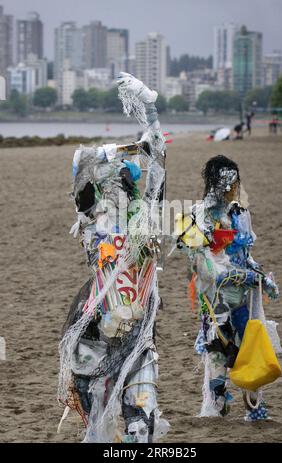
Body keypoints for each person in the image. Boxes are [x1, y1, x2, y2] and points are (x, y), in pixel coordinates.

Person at [57, 73, 169, 443]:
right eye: (111, 181)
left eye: (125, 181)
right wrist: (119, 153)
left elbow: (160, 154)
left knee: (142, 426)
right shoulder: (93, 221)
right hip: (95, 336)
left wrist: (149, 106)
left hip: (137, 338)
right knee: (96, 428)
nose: (118, 184)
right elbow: (79, 165)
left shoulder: (148, 218)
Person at [175, 155, 279, 421]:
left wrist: (261, 278)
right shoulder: (198, 216)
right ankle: (216, 406)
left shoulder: (241, 215)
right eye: (228, 180)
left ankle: (255, 408)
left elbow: (246, 254)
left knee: (250, 346)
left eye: (235, 179)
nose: (233, 185)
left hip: (243, 298)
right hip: (215, 300)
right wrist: (237, 275)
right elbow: (201, 265)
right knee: (217, 350)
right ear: (215, 182)